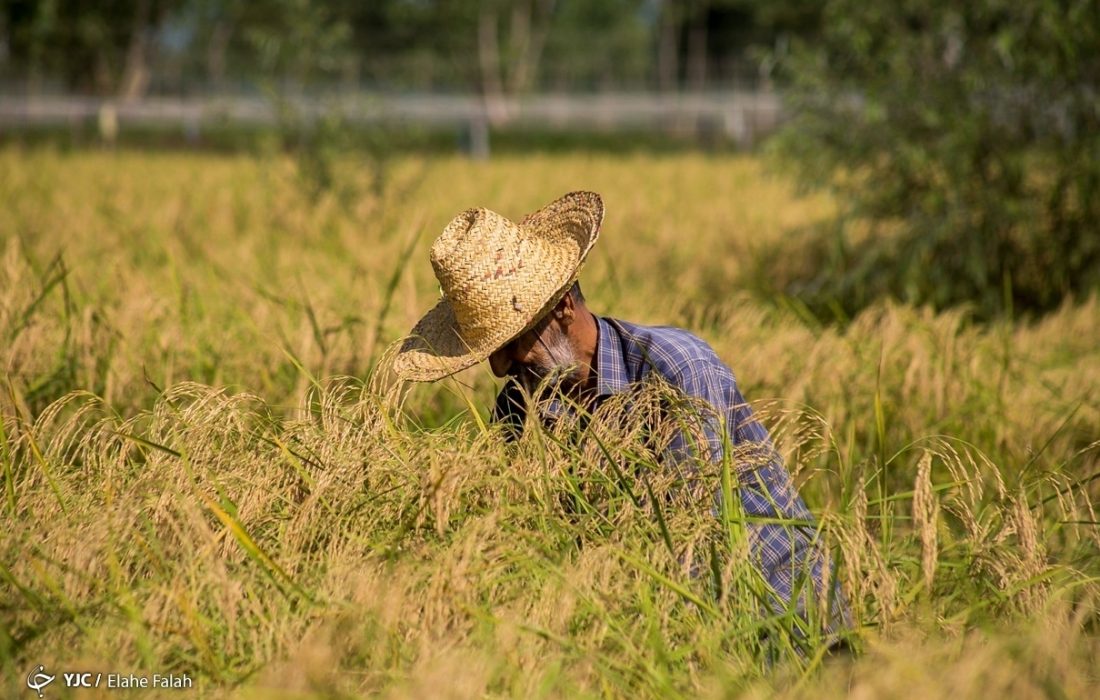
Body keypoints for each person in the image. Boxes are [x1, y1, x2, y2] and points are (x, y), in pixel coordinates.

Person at [391, 191, 850, 647]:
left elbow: (695, 537)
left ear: (564, 307)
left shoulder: (675, 369)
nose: (499, 367)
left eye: (513, 341)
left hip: (781, 617)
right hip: (653, 625)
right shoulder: (520, 406)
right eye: (491, 350)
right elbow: (516, 532)